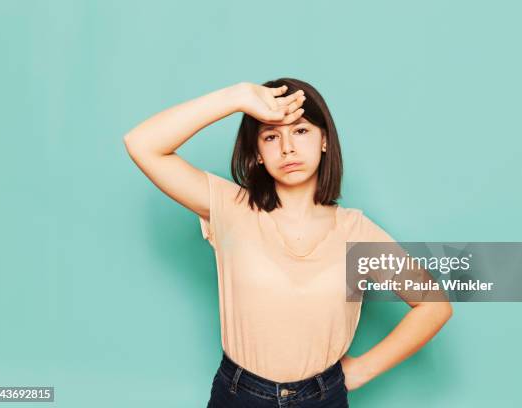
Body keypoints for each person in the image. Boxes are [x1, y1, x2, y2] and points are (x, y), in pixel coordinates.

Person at [123, 78, 453, 407]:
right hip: (239, 395)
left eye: (301, 130)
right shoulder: (231, 206)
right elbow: (142, 143)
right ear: (258, 154)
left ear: (324, 140)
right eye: (271, 136)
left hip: (322, 398)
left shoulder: (357, 232)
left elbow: (433, 305)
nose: (287, 148)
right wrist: (236, 97)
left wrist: (362, 371)